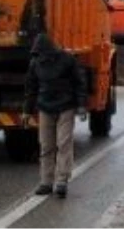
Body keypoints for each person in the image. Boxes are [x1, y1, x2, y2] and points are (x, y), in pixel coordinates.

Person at [23, 33, 88, 198]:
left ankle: (61, 181)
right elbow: (30, 89)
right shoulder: (35, 63)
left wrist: (81, 106)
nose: (39, 57)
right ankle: (46, 182)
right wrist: (26, 111)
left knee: (64, 143)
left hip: (65, 107)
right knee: (46, 146)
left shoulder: (67, 60)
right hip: (45, 108)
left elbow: (79, 83)